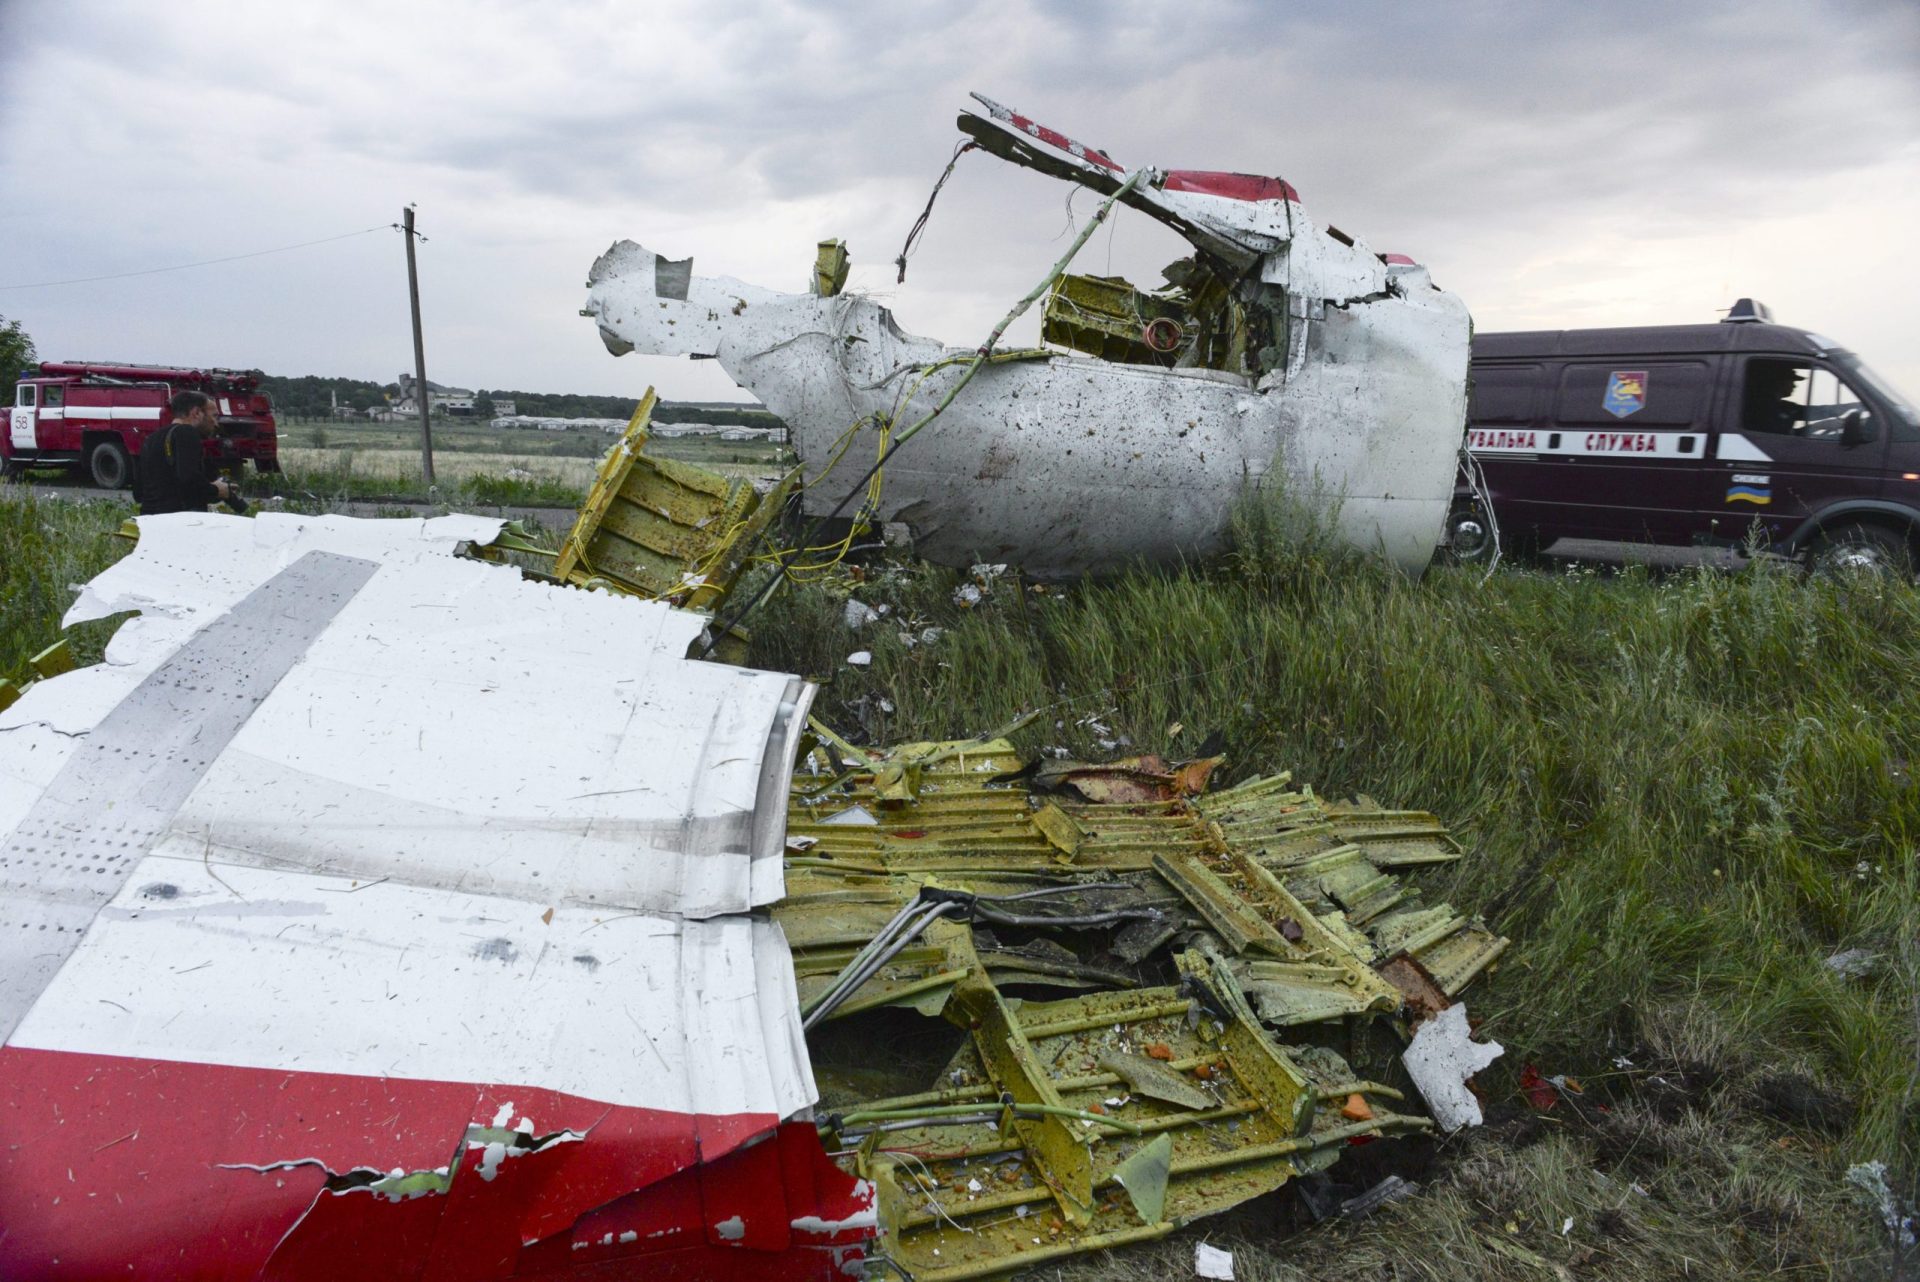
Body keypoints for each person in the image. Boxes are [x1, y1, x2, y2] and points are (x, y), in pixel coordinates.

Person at [135, 391, 241, 515]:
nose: (216, 423)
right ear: (196, 413)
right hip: (180, 521)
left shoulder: (151, 439)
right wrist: (217, 490)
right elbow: (188, 478)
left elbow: (138, 492)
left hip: (148, 520)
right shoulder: (187, 433)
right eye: (214, 416)